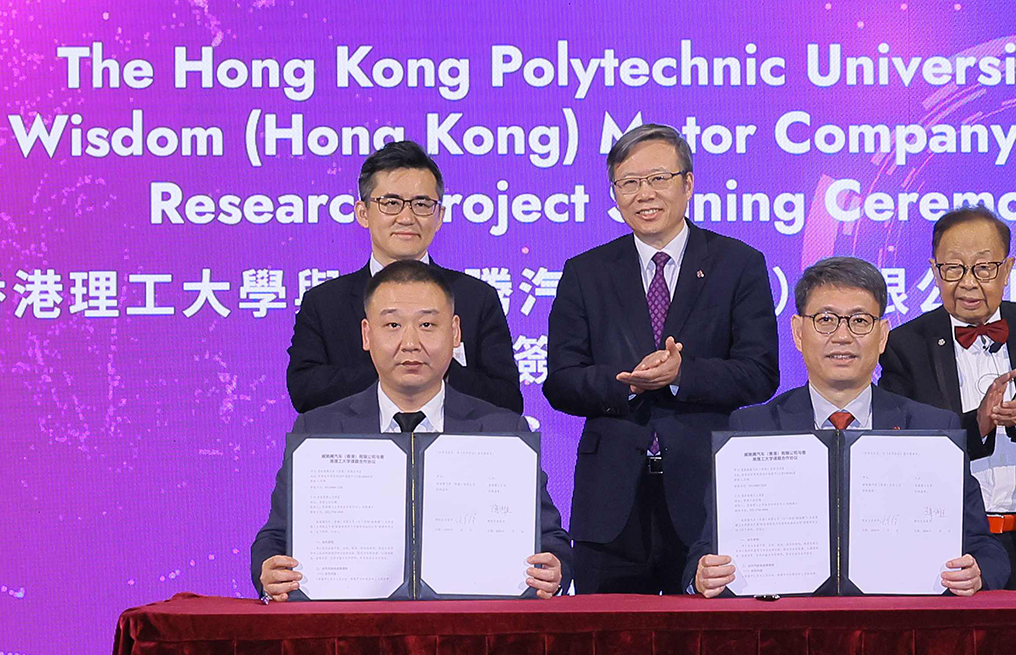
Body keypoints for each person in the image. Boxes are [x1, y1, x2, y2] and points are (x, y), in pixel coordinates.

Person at [543, 123, 780, 594]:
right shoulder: (586, 271)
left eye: (658, 179)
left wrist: (680, 376)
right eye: (628, 183)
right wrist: (626, 384)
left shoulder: (738, 264)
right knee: (605, 649)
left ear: (688, 183)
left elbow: (760, 374)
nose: (643, 194)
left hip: (705, 497)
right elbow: (561, 381)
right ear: (614, 193)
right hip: (609, 503)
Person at [687, 256, 1008, 596]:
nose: (842, 336)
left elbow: (986, 549)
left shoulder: (932, 428)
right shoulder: (750, 430)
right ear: (798, 332)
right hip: (788, 630)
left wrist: (976, 572)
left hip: (898, 627)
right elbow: (705, 549)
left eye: (859, 320)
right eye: (826, 320)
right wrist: (702, 576)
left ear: (882, 335)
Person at [252, 260, 568, 598]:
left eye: (428, 324)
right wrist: (268, 568)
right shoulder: (319, 429)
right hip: (356, 627)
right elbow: (277, 535)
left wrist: (555, 568)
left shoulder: (502, 429)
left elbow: (550, 537)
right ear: (366, 334)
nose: (410, 342)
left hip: (469, 628)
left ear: (456, 332)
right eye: (392, 325)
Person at [881, 206, 1016, 590]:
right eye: (954, 268)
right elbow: (896, 444)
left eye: (983, 268)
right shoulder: (905, 345)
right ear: (935, 271)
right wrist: (977, 424)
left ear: (1007, 268)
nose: (968, 283)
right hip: (953, 546)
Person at [286, 140, 523, 413]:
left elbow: (507, 400)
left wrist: (438, 370)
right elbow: (305, 392)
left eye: (422, 204)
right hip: (358, 451)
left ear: (439, 215)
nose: (407, 217)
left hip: (455, 453)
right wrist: (396, 370)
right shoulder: (325, 302)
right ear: (363, 213)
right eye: (391, 203)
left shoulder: (475, 297)